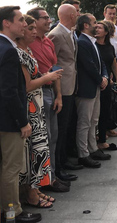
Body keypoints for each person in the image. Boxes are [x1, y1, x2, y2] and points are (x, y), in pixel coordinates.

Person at [16, 15, 63, 209]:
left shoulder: (27, 49)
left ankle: (35, 189)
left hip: (37, 105)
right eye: (30, 28)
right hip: (29, 107)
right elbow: (26, 85)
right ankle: (30, 193)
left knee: (39, 149)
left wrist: (46, 77)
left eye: (35, 28)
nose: (34, 31)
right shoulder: (17, 52)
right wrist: (47, 77)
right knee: (32, 151)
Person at [26, 7, 77, 189]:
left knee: (53, 136)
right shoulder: (26, 44)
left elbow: (55, 69)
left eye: (49, 17)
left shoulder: (47, 41)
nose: (49, 21)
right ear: (33, 22)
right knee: (44, 138)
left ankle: (53, 175)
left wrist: (59, 96)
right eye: (45, 18)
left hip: (51, 92)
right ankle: (47, 179)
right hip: (36, 93)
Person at [0, 6, 41, 223]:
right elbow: (9, 92)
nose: (24, 24)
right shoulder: (8, 50)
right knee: (11, 169)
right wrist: (22, 122)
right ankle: (11, 213)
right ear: (6, 23)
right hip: (9, 121)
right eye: (19, 20)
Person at [48, 4, 82, 183]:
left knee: (67, 126)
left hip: (70, 85)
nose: (79, 14)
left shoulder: (69, 32)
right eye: (77, 12)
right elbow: (52, 63)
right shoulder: (56, 34)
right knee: (61, 129)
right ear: (71, 15)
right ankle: (59, 167)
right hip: (62, 88)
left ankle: (64, 161)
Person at [75, 14, 110, 169]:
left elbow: (100, 61)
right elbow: (88, 65)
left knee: (93, 120)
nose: (97, 25)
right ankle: (83, 154)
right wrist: (100, 79)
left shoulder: (92, 41)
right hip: (86, 88)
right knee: (84, 122)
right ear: (85, 25)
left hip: (95, 86)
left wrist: (105, 76)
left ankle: (93, 148)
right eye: (94, 23)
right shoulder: (82, 42)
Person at [95, 21, 117, 151]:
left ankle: (102, 136)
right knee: (96, 112)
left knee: (106, 110)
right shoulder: (92, 45)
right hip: (97, 83)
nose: (96, 29)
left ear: (106, 32)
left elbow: (113, 64)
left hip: (108, 83)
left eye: (100, 27)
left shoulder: (109, 47)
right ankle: (99, 137)